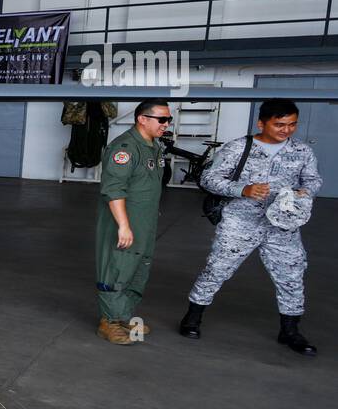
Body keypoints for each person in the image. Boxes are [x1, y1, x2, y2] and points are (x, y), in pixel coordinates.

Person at [179, 100, 322, 355]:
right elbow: (209, 178)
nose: (286, 130)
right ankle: (192, 317)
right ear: (261, 123)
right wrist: (241, 189)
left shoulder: (302, 151)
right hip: (240, 221)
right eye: (279, 124)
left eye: (292, 125)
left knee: (292, 275)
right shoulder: (238, 147)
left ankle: (290, 330)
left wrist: (306, 192)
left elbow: (313, 179)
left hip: (283, 225)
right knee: (217, 268)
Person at [95, 99, 171, 345]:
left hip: (144, 222)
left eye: (168, 119)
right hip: (123, 222)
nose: (166, 124)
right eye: (162, 119)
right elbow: (114, 189)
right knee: (116, 268)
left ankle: (123, 314)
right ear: (142, 119)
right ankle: (108, 322)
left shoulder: (154, 147)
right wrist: (124, 225)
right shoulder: (125, 148)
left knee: (138, 268)